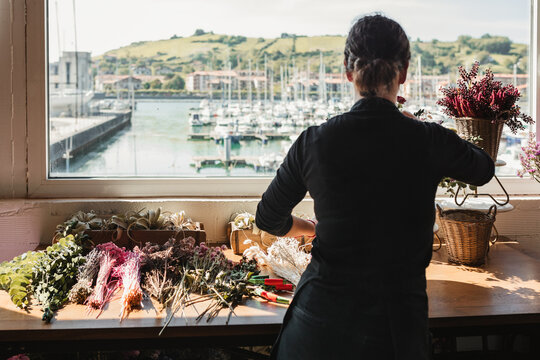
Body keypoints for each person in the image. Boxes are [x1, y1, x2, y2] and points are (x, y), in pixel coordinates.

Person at [255, 14, 495, 360]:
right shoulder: (427, 140)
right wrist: (418, 124)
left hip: (315, 328)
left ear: (348, 71)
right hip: (394, 332)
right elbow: (483, 168)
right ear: (404, 72)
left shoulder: (315, 142)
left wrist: (310, 228)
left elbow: (268, 218)